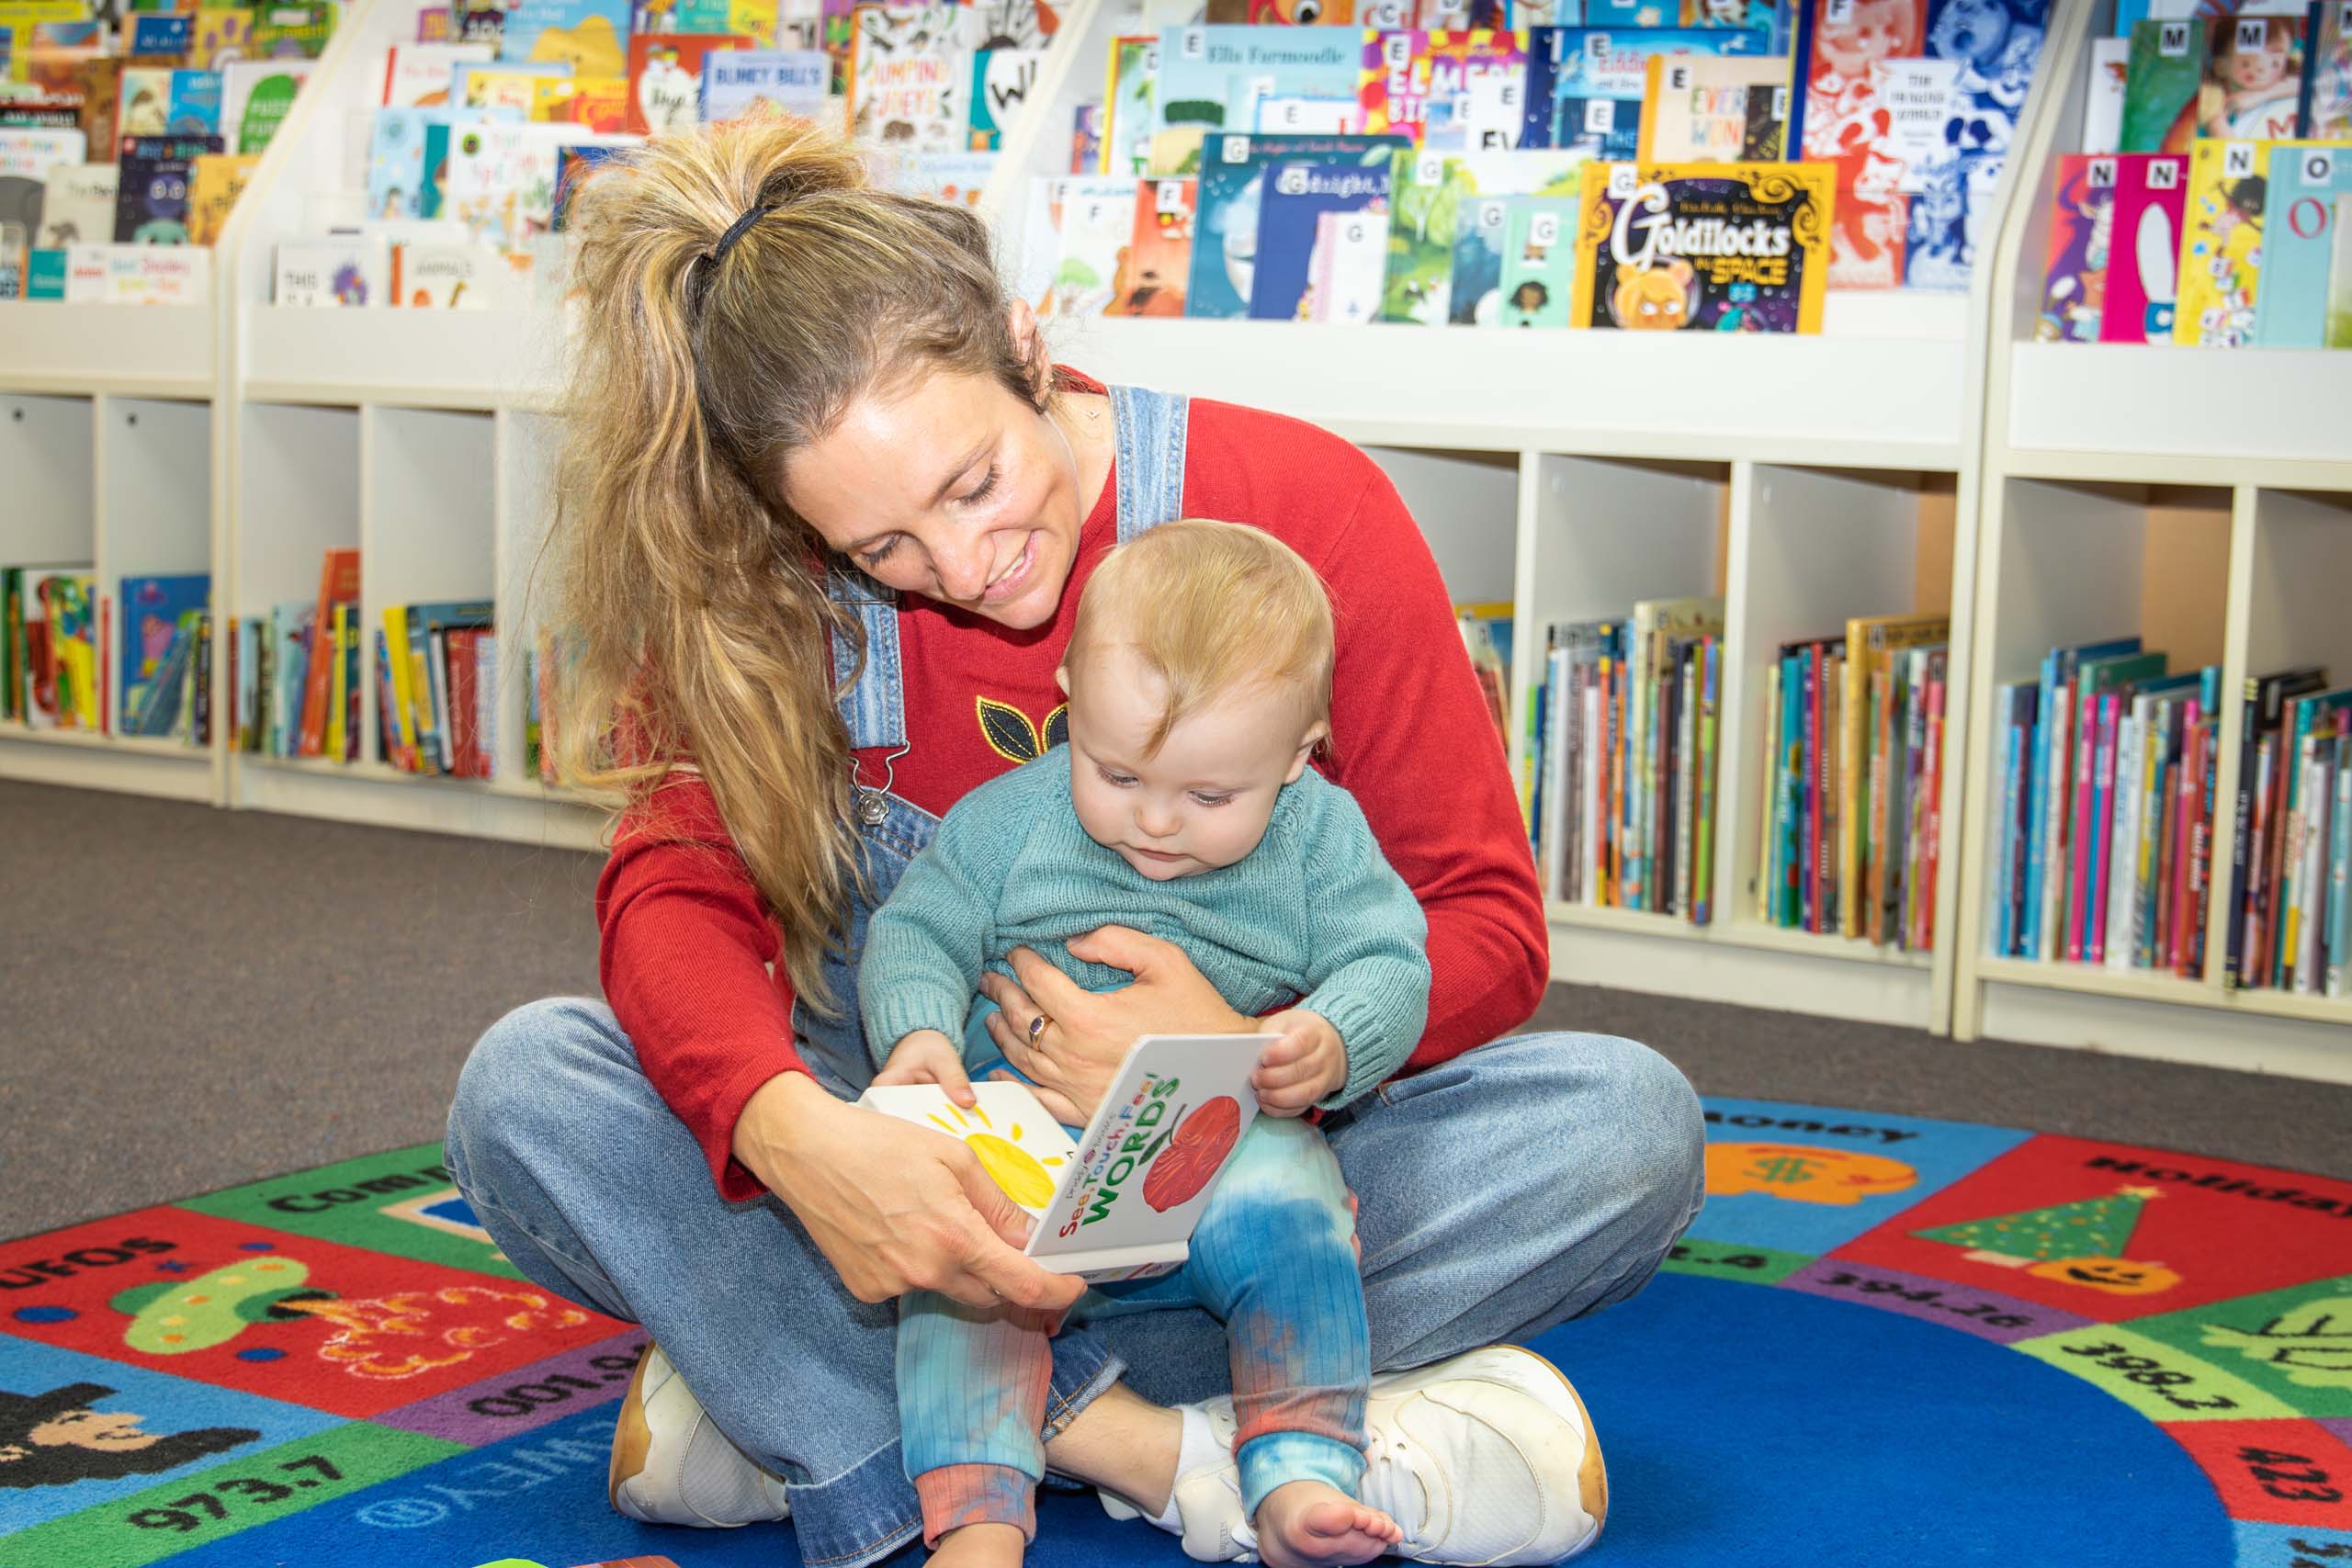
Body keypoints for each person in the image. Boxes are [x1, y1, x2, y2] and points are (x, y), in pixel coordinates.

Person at [445, 114, 1705, 1568]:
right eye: (883, 552)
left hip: (1241, 1169)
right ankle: (1174, 1446)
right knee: (532, 1087)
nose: (966, 566)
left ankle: (833, 1396)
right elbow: (675, 896)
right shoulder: (755, 572)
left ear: (1028, 347)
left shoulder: (1301, 507)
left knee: (1623, 1127)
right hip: (937, 1171)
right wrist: (806, 1145)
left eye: (974, 482)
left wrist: (1251, 1042)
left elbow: (1482, 915)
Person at [869, 518, 1465, 1567]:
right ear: (1066, 696)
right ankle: (977, 1517)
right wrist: (917, 1029)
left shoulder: (1321, 836)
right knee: (960, 1269)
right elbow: (920, 924)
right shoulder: (1011, 818)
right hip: (1029, 1136)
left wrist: (1330, 1040)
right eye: (1117, 774)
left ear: (1298, 755)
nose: (1153, 822)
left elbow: (1391, 958)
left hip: (1223, 1137)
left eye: (1206, 796)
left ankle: (1298, 1473)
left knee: (1302, 1219)